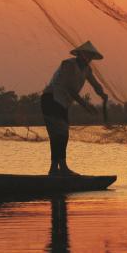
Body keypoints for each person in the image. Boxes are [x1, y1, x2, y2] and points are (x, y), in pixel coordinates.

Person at [41, 41, 108, 176]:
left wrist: (102, 94)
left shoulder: (87, 69)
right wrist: (85, 105)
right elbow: (69, 89)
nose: (88, 58)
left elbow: (95, 84)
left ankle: (55, 168)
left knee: (61, 135)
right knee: (59, 134)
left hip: (62, 103)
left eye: (90, 56)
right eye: (86, 55)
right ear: (79, 54)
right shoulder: (68, 65)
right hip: (51, 99)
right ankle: (61, 168)